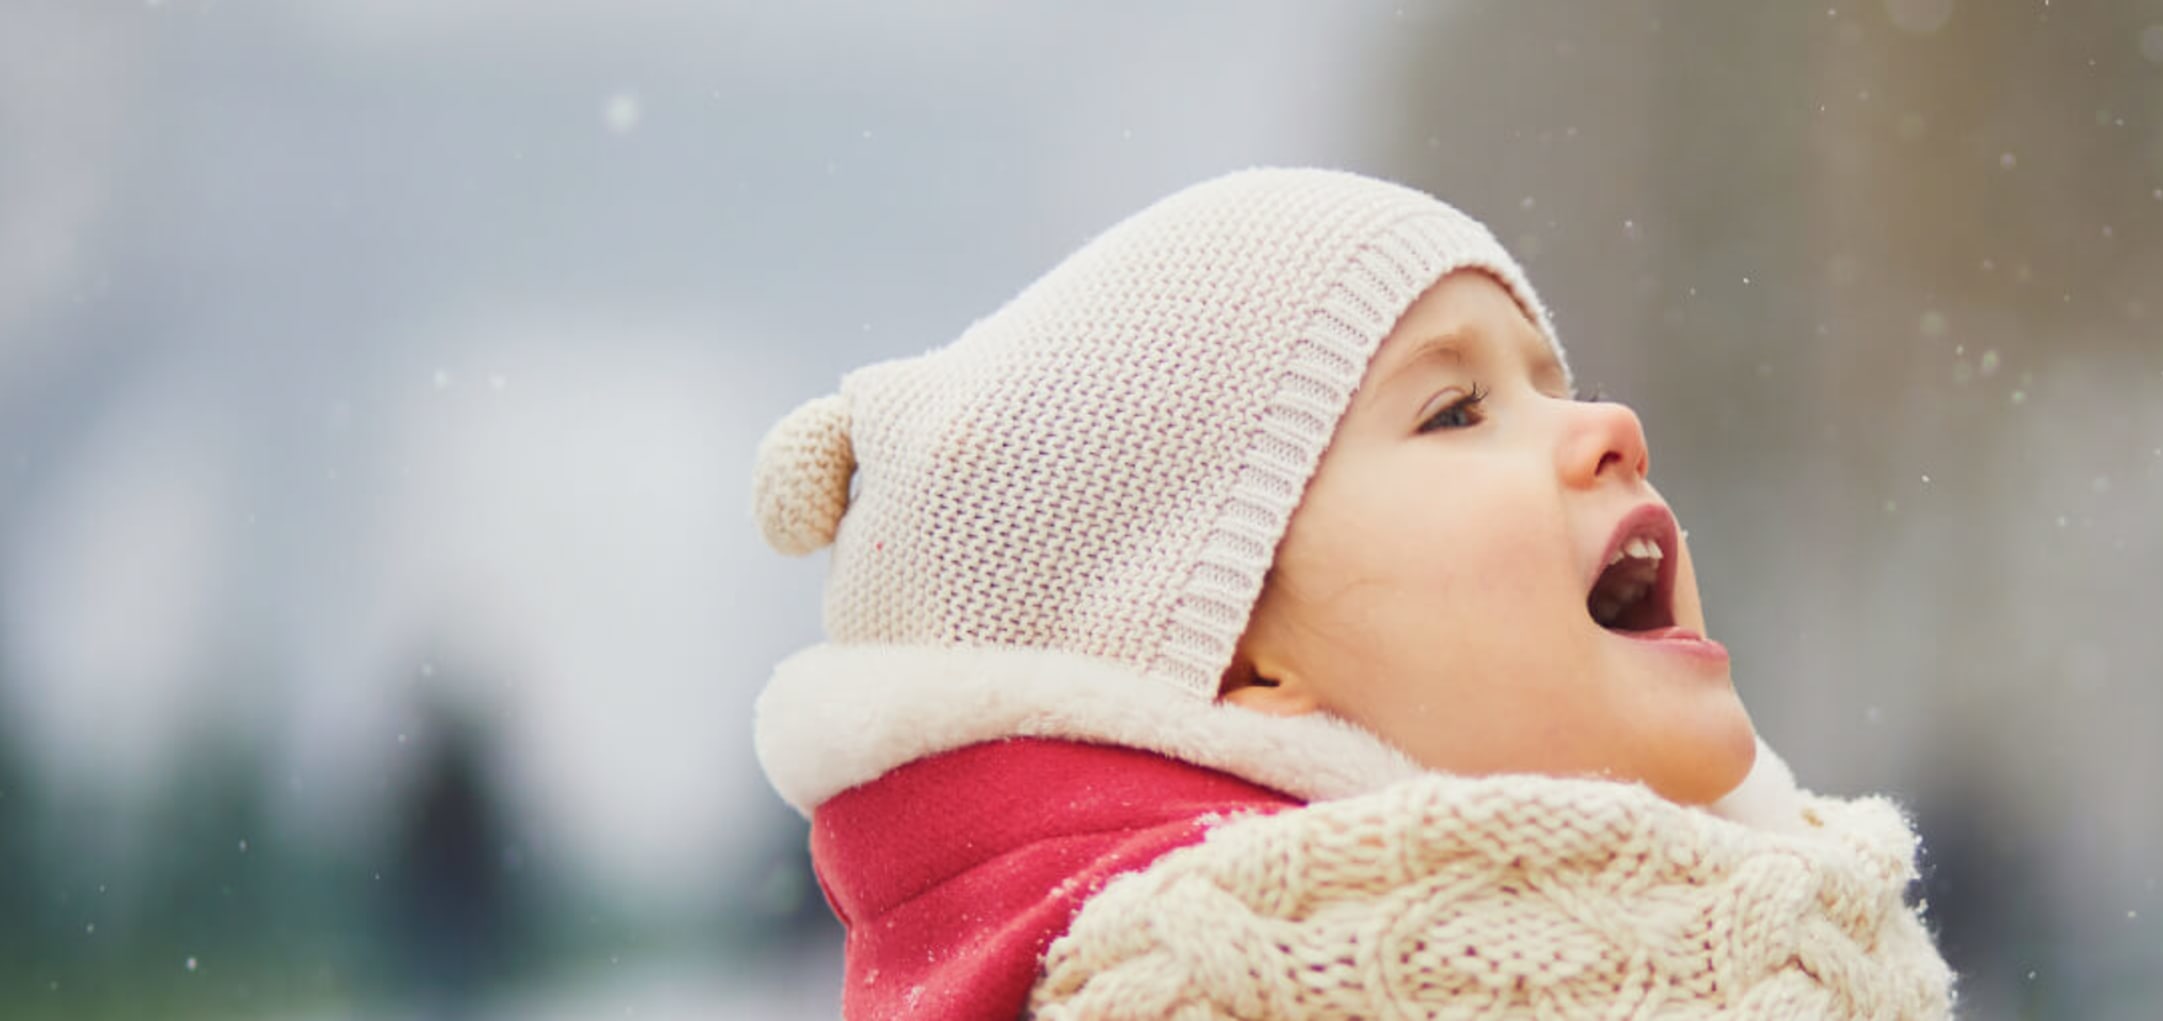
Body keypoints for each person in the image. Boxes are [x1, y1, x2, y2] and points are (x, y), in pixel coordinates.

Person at [744, 168, 1954, 1020]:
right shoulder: (1205, 993)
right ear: (1245, 666)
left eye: (1551, 382)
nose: (1610, 426)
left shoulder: (1811, 957)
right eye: (1455, 410)